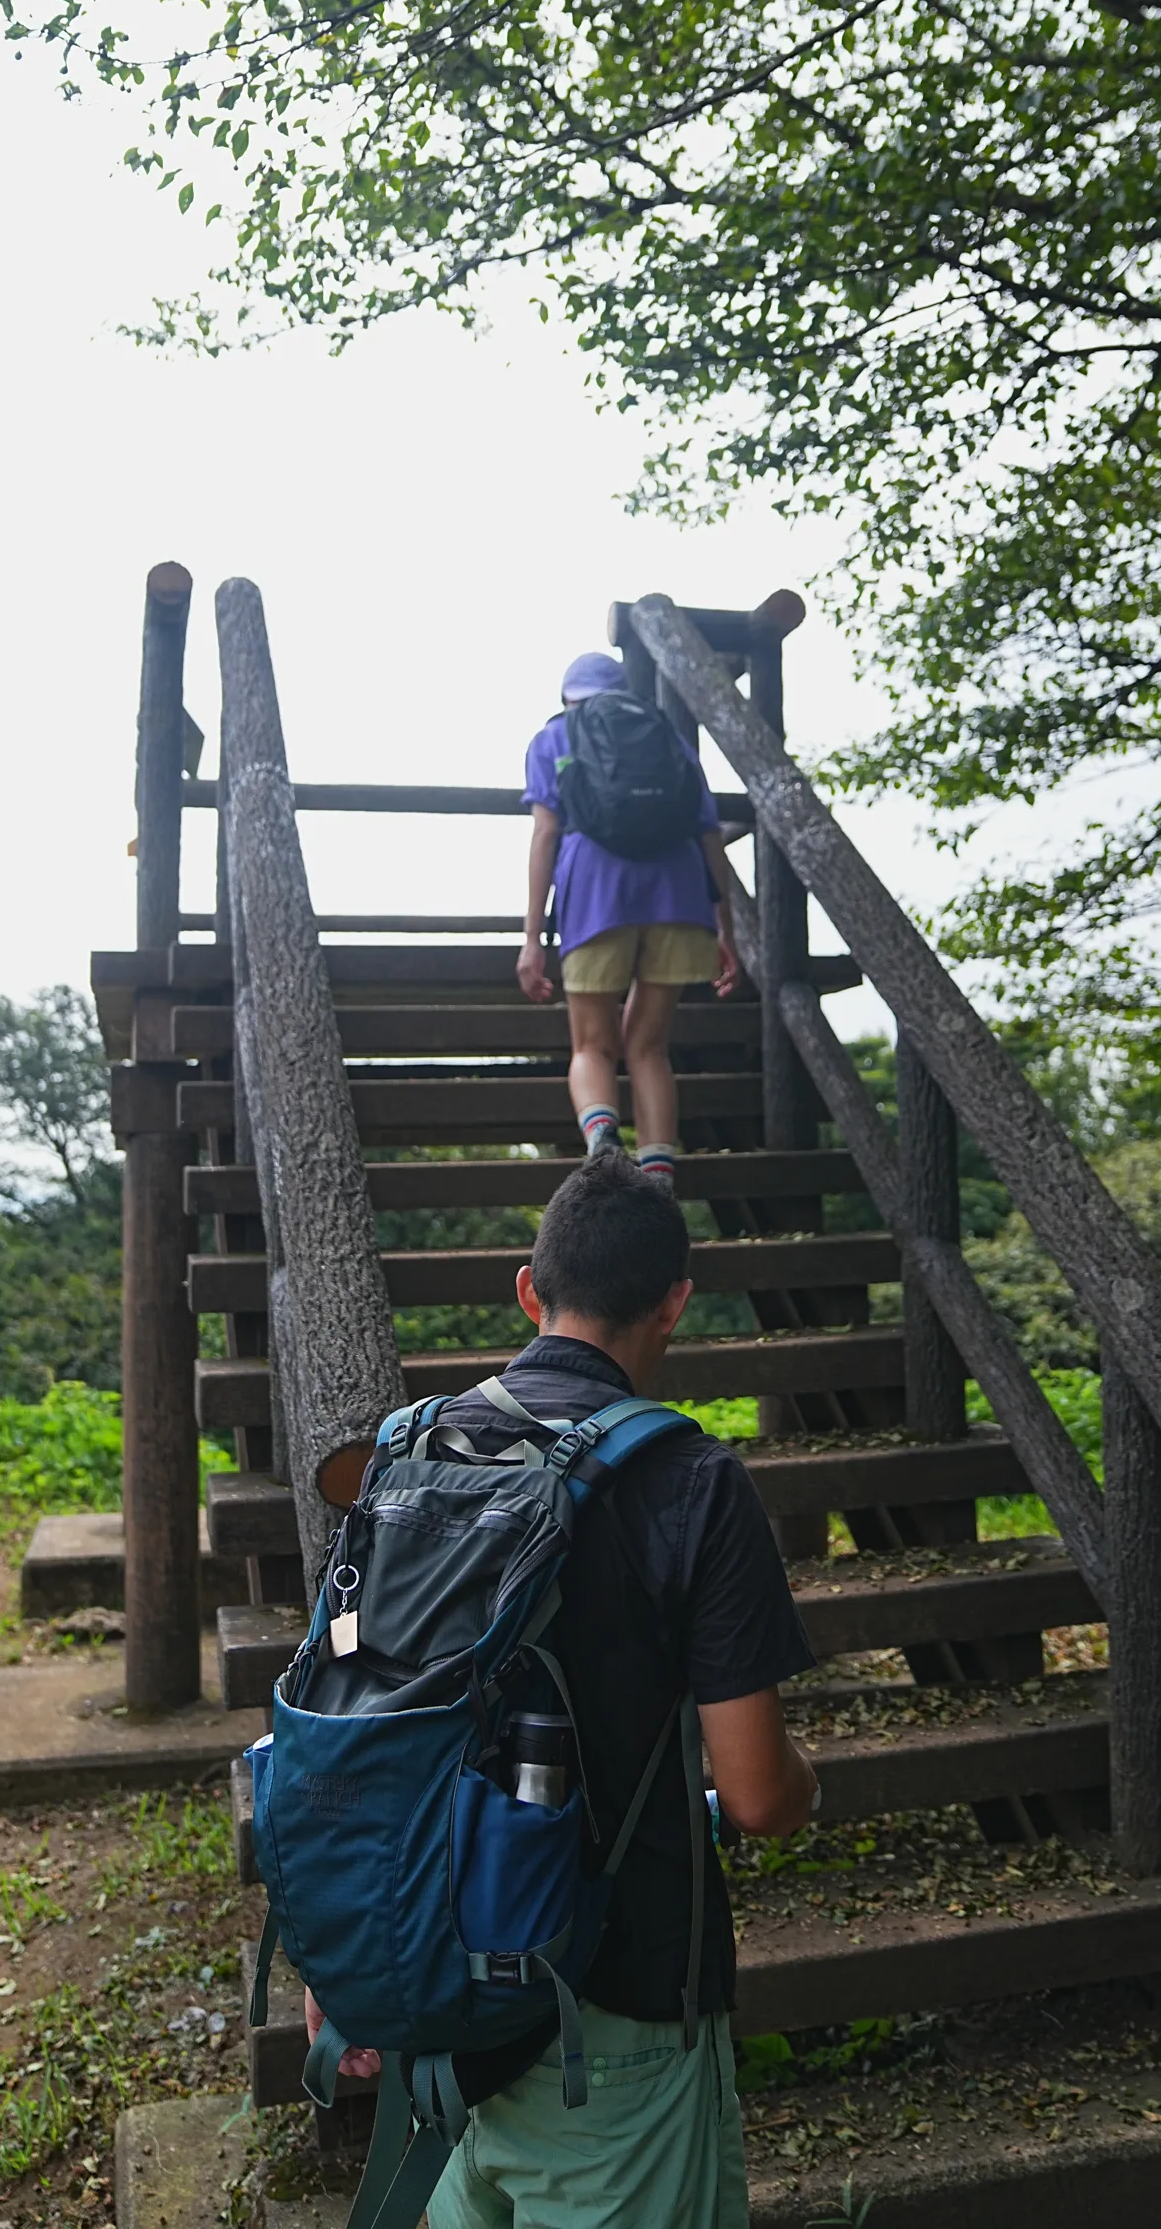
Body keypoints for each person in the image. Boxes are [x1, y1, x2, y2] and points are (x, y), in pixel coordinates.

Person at [418, 1152, 819, 2229]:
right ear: (677, 1302)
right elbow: (759, 1798)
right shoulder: (692, 1483)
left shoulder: (418, 1452)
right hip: (617, 2017)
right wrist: (804, 1779)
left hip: (439, 1990)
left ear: (527, 1289)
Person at [518, 651, 740, 1188]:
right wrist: (726, 929)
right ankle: (659, 1173)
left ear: (569, 698)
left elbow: (546, 834)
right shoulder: (670, 741)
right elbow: (710, 840)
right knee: (648, 1046)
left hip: (598, 896)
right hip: (679, 898)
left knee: (592, 1044)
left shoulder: (553, 739)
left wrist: (531, 939)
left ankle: (602, 1144)